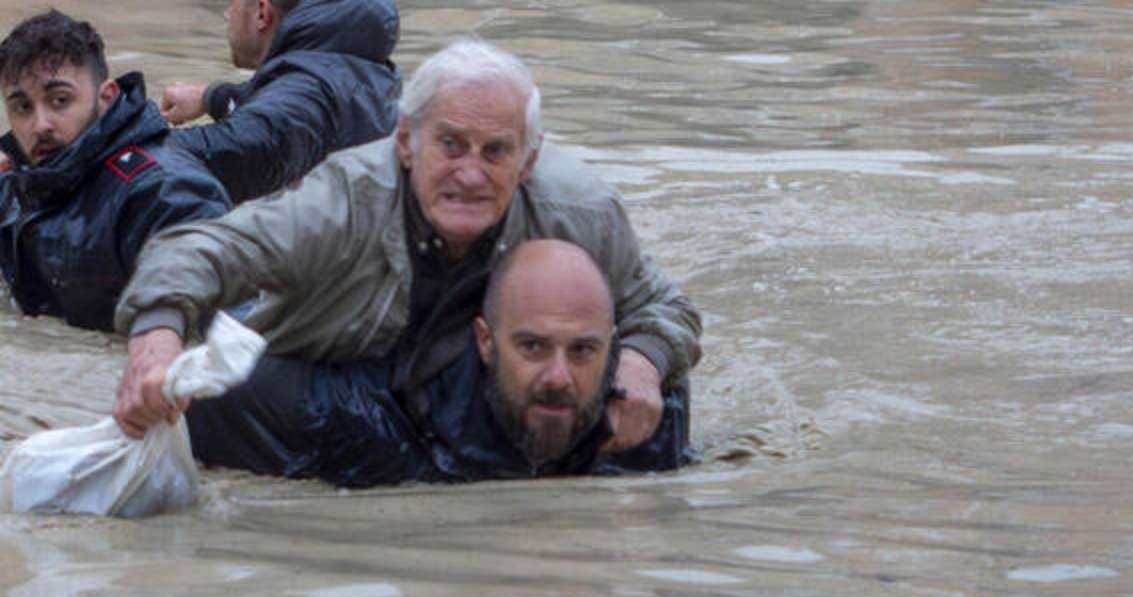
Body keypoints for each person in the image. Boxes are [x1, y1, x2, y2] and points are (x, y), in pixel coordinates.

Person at [112, 39, 702, 484]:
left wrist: (643, 364)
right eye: (450, 145)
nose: (470, 174)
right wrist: (155, 339)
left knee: (663, 405)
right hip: (347, 384)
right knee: (220, 396)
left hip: (484, 387)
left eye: (495, 151)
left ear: (527, 160)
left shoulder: (582, 211)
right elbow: (197, 249)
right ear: (405, 142)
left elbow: (663, 307)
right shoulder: (342, 201)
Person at [178, 240, 692, 485]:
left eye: (583, 351)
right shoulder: (367, 420)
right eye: (532, 348)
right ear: (486, 342)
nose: (559, 377)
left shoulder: (644, 420)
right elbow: (206, 395)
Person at [0, 11, 230, 332]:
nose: (40, 125)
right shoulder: (21, 182)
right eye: (23, 107)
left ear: (106, 97)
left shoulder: (163, 192)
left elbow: (229, 330)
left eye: (60, 100)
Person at [159, 0, 400, 205]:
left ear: (262, 12)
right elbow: (279, 105)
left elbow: (248, 143)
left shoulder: (307, 94)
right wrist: (210, 97)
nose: (227, 14)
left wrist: (129, 141)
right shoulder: (360, 70)